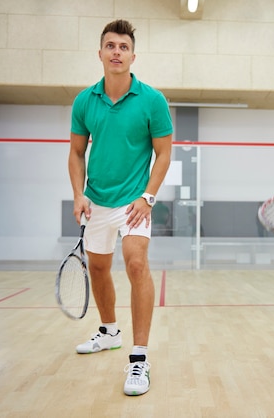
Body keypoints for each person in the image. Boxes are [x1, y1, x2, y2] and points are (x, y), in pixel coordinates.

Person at [68, 19, 173, 396]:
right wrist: (79, 194)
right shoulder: (85, 101)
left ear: (132, 55)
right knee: (98, 268)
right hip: (96, 201)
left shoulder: (152, 100)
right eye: (110, 46)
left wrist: (147, 197)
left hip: (133, 203)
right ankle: (109, 331)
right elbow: (77, 152)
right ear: (100, 53)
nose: (116, 52)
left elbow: (163, 154)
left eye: (123, 46)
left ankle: (139, 358)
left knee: (135, 262)